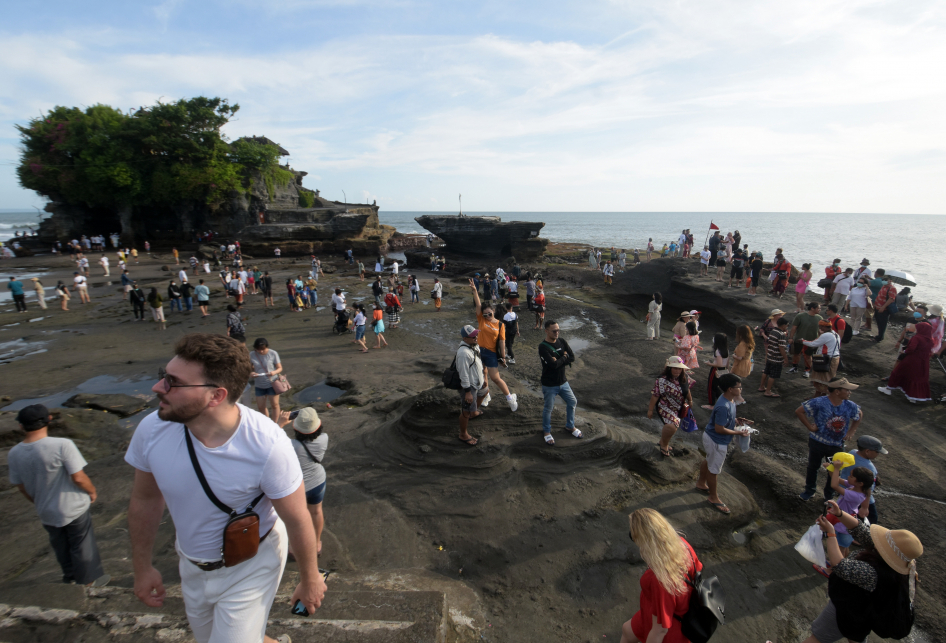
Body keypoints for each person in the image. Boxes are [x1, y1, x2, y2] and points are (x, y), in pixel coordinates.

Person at [125, 334, 325, 643]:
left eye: (173, 383)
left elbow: (298, 518)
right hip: (191, 564)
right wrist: (143, 566)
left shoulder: (267, 445)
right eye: (163, 377)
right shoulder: (152, 430)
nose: (158, 388)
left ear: (216, 396)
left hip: (252, 563)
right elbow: (145, 500)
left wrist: (309, 579)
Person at [8, 404, 109, 587]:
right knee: (81, 544)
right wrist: (92, 491)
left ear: (21, 426)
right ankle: (88, 583)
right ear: (49, 420)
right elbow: (78, 477)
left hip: (46, 509)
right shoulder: (62, 445)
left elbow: (20, 486)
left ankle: (69, 578)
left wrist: (37, 500)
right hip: (72, 505)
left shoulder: (14, 453)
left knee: (60, 546)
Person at [804, 500, 922, 643]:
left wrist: (831, 533)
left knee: (818, 638)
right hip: (864, 616)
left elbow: (839, 565)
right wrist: (840, 513)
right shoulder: (896, 566)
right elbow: (859, 529)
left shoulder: (874, 572)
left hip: (845, 611)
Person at [619, 508, 702, 643]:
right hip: (653, 611)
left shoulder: (660, 580)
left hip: (668, 626)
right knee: (627, 630)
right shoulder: (682, 545)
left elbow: (660, 630)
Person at [796, 378, 862, 501]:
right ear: (837, 391)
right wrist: (810, 427)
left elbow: (859, 415)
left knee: (834, 470)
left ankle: (829, 495)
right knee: (813, 467)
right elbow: (800, 411)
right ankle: (809, 490)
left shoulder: (850, 405)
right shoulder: (819, 402)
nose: (849, 392)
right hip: (817, 443)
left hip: (836, 446)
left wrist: (851, 431)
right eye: (846, 390)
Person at [696, 374, 752, 514]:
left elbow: (724, 421)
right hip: (716, 440)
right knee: (714, 469)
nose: (741, 389)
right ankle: (713, 497)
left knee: (709, 460)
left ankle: (701, 483)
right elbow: (719, 429)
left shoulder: (729, 400)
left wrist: (736, 421)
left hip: (711, 437)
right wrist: (739, 433)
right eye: (738, 387)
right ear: (730, 389)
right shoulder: (723, 405)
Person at [276, 408, 328, 556]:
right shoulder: (324, 438)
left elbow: (270, 440)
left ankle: (294, 547)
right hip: (318, 481)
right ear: (318, 425)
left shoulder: (290, 444)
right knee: (316, 511)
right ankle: (317, 543)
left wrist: (280, 423)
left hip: (298, 486)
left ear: (295, 427)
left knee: (297, 518)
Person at [468, 279, 519, 412]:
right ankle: (486, 395)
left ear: (494, 311)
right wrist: (474, 291)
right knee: (481, 376)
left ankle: (510, 398)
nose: (487, 316)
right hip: (479, 351)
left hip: (491, 353)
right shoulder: (481, 320)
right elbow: (478, 305)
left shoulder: (500, 325)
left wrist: (502, 357)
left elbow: (502, 342)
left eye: (489, 313)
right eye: (485, 314)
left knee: (495, 378)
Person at [538, 320, 580, 446]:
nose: (557, 332)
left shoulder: (562, 341)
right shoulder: (543, 347)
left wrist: (561, 359)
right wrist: (564, 357)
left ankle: (570, 426)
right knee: (548, 408)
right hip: (549, 384)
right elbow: (553, 364)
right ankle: (546, 432)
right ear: (546, 331)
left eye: (558, 330)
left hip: (563, 382)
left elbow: (572, 357)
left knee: (572, 402)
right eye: (554, 330)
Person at [647, 356, 692, 457]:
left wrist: (690, 400)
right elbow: (655, 395)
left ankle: (662, 440)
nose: (677, 371)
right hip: (664, 406)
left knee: (672, 425)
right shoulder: (661, 380)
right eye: (675, 368)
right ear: (669, 368)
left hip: (678, 407)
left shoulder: (685, 378)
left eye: (679, 368)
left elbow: (687, 390)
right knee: (672, 426)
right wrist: (650, 410)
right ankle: (664, 444)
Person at [878, 322, 933, 403]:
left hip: (912, 359)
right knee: (916, 377)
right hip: (923, 362)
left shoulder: (917, 337)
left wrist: (904, 351)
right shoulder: (930, 340)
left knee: (898, 371)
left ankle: (888, 389)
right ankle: (912, 396)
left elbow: (911, 349)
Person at [837, 435, 886, 524]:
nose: (878, 454)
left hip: (845, 490)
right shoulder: (870, 468)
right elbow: (867, 489)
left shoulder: (852, 452)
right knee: (872, 520)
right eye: (877, 452)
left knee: (845, 514)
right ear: (867, 451)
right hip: (860, 497)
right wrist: (865, 507)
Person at [455, 325, 487, 445]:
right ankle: (463, 434)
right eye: (473, 336)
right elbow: (463, 375)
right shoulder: (463, 353)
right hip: (469, 386)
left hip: (477, 381)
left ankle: (474, 412)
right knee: (465, 411)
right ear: (465, 338)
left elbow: (478, 363)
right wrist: (468, 392)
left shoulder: (474, 346)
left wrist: (483, 378)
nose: (476, 337)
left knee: (485, 392)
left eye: (476, 334)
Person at [250, 338, 283, 420]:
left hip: (272, 382)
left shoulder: (273, 353)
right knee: (261, 407)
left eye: (263, 349)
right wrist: (251, 373)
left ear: (267, 347)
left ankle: (275, 424)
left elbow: (279, 368)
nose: (261, 351)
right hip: (259, 384)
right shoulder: (252, 354)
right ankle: (267, 422)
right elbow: (249, 368)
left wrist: (274, 372)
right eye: (258, 349)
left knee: (274, 404)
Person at [788, 302, 823, 378]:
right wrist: (791, 338)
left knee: (808, 356)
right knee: (796, 354)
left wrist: (819, 340)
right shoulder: (800, 316)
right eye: (818, 308)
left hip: (811, 342)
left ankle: (807, 370)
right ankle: (795, 367)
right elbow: (794, 328)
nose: (820, 310)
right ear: (812, 308)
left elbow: (820, 331)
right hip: (799, 340)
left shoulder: (820, 318)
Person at [759, 317, 789, 397]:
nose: (787, 327)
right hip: (777, 358)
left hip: (770, 355)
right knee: (773, 375)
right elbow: (781, 348)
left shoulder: (773, 331)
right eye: (787, 325)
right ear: (783, 325)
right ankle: (768, 391)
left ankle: (761, 387)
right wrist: (786, 359)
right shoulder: (781, 334)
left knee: (766, 371)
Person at [702, 333, 730, 410]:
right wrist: (727, 370)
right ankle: (723, 400)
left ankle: (712, 404)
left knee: (711, 387)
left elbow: (719, 364)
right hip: (724, 370)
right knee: (717, 386)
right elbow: (727, 362)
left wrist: (709, 364)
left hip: (716, 370)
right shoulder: (726, 349)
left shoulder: (718, 351)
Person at [872, 274, 898, 343]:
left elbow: (891, 299)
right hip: (878, 307)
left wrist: (883, 307)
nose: (884, 281)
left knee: (882, 323)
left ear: (890, 281)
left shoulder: (892, 288)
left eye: (886, 280)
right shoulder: (883, 286)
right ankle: (879, 335)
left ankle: (880, 337)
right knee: (878, 322)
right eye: (883, 280)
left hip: (884, 309)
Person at [730, 324, 755, 389]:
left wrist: (733, 355)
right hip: (746, 365)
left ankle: (737, 398)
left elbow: (739, 357)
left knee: (735, 385)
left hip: (740, 366)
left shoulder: (742, 344)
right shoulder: (750, 342)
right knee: (738, 384)